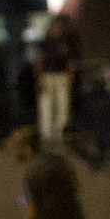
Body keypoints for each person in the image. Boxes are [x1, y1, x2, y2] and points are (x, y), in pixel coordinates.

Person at [35, 10, 81, 146]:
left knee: (62, 106)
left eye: (59, 26)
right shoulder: (44, 42)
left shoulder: (67, 41)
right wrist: (38, 79)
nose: (57, 28)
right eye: (55, 25)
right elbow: (38, 61)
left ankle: (61, 135)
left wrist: (70, 77)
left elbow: (71, 62)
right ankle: (47, 137)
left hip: (61, 77)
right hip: (47, 76)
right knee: (46, 106)